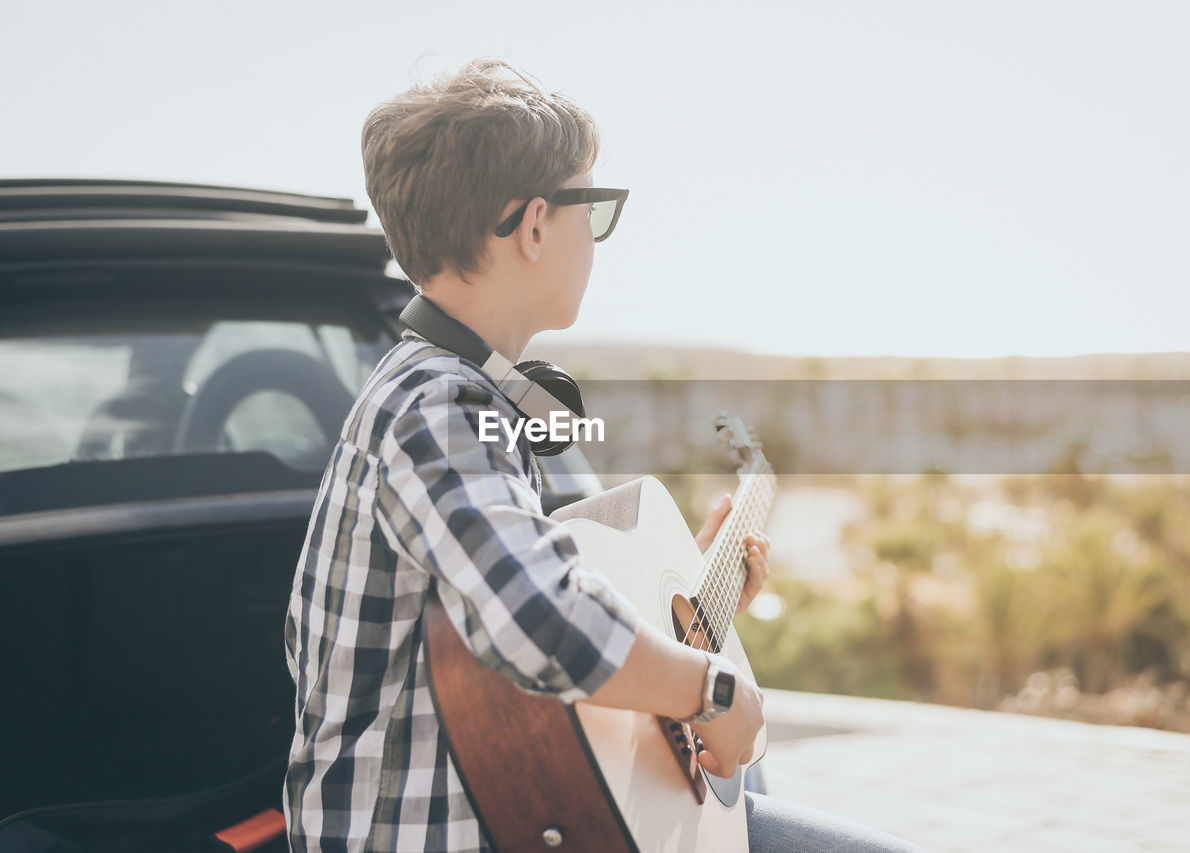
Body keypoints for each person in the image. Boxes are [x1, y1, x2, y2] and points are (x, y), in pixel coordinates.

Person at [282, 58, 925, 853]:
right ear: (538, 225)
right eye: (597, 208)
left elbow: (527, 623)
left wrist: (694, 595)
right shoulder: (438, 408)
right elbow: (540, 618)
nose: (599, 238)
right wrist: (712, 691)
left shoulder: (448, 392)